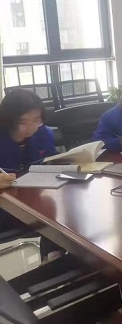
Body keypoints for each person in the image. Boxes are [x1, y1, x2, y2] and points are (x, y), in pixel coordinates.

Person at [0, 89, 61, 259]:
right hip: (6, 208)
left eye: (36, 120)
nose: (31, 127)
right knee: (51, 219)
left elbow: (51, 157)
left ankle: (52, 257)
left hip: (32, 202)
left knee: (61, 214)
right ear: (8, 120)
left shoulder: (42, 133)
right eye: (22, 122)